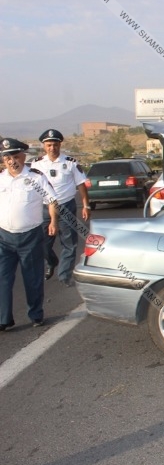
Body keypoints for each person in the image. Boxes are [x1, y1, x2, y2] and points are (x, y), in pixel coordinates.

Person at [0, 138, 58, 330]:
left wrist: (53, 221)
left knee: (32, 278)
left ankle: (36, 315)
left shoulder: (35, 178)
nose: (11, 161)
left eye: (15, 157)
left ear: (23, 157)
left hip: (30, 236)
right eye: (7, 158)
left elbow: (51, 200)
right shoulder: (1, 178)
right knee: (3, 278)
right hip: (4, 237)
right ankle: (3, 319)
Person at [30, 129, 89, 286]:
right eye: (49, 145)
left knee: (69, 243)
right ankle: (51, 261)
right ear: (44, 146)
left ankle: (64, 276)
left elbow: (81, 185)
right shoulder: (36, 163)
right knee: (41, 242)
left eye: (55, 145)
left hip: (66, 205)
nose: (52, 148)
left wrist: (86, 205)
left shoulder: (70, 162)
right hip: (44, 207)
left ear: (60, 145)